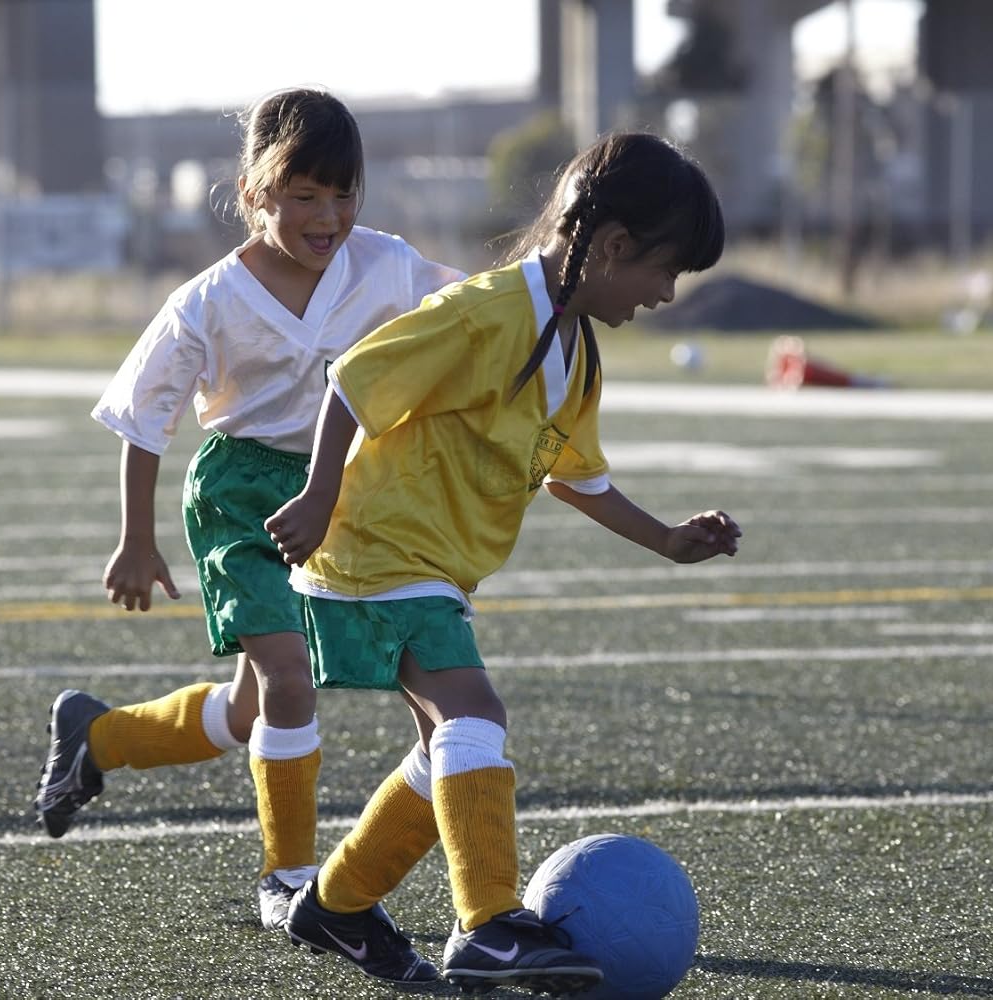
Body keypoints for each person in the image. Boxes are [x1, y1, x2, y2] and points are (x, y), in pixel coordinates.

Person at [265, 130, 741, 995]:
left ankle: (336, 903)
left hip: (426, 568)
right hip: (375, 551)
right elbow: (352, 381)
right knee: (474, 708)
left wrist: (668, 539)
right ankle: (486, 926)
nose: (666, 294)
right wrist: (319, 496)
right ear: (612, 247)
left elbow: (579, 479)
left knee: (444, 749)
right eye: (663, 272)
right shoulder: (486, 313)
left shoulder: (576, 352)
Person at [31, 88, 462, 983]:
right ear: (253, 192)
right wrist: (135, 541)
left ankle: (98, 737)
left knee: (251, 708)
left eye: (344, 195)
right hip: (240, 500)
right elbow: (144, 418)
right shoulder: (206, 300)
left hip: (338, 494)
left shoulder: (386, 264)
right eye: (304, 195)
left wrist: (552, 290)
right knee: (290, 679)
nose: (329, 216)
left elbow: (477, 314)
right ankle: (290, 878)